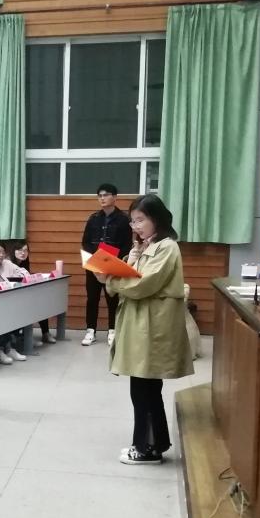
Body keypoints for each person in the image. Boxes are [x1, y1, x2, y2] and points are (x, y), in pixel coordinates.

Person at [99, 195, 193, 465]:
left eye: (140, 220)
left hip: (152, 326)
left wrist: (111, 281)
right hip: (140, 323)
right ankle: (153, 443)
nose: (136, 226)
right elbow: (127, 275)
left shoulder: (167, 247)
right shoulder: (145, 246)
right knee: (143, 387)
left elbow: (142, 284)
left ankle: (148, 449)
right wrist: (119, 267)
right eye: (133, 221)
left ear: (157, 219)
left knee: (145, 388)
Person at [81, 183, 131, 347]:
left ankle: (112, 330)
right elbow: (86, 242)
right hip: (94, 265)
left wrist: (114, 261)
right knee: (92, 298)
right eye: (100, 196)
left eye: (106, 195)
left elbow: (126, 244)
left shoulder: (124, 219)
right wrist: (94, 258)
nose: (102, 198)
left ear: (114, 197)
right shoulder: (94, 218)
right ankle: (90, 330)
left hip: (113, 265)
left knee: (113, 298)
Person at [11, 240, 55, 344]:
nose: (23, 253)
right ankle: (23, 336)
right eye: (20, 250)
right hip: (12, 297)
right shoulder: (9, 264)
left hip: (23, 295)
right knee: (30, 305)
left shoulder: (24, 264)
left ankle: (45, 333)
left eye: (25, 250)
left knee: (40, 303)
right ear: (13, 251)